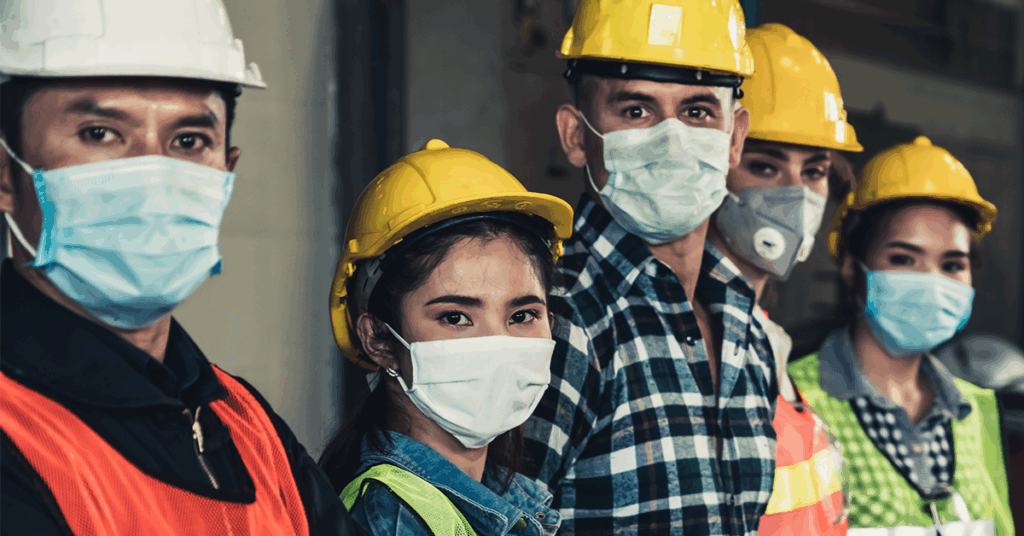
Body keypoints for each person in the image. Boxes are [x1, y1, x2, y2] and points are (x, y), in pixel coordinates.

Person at [0, 1, 354, 534]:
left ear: (226, 173)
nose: (154, 176)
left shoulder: (244, 421)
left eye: (188, 142)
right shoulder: (15, 427)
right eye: (100, 133)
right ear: (6, 174)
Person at [523, 1, 781, 534]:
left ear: (734, 136)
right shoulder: (554, 320)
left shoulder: (744, 327)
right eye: (636, 111)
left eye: (697, 111)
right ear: (576, 135)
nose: (672, 139)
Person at [319, 139, 574, 536]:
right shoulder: (390, 517)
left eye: (522, 315)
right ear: (379, 338)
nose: (497, 343)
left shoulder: (502, 495)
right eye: (455, 317)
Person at [788, 137, 1014, 535]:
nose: (931, 280)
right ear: (851, 266)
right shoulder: (794, 399)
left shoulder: (976, 409)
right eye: (903, 259)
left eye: (952, 264)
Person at [705, 24, 864, 535]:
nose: (796, 195)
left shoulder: (768, 334)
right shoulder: (693, 335)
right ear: (718, 163)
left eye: (815, 171)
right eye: (766, 167)